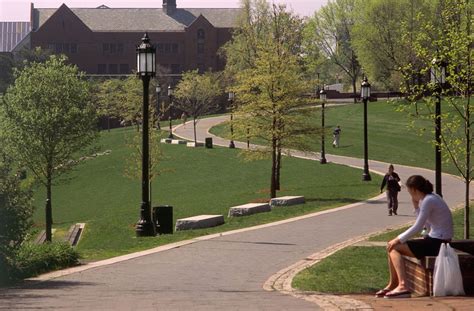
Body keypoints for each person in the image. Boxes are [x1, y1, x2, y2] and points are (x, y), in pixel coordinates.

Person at [375, 175, 453, 299]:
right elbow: (427, 226)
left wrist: (398, 239)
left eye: (410, 192)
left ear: (414, 190)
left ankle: (403, 285)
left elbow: (418, 227)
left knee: (394, 247)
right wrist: (416, 206)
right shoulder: (431, 198)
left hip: (438, 243)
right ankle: (393, 284)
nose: (410, 195)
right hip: (435, 239)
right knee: (392, 245)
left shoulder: (429, 200)